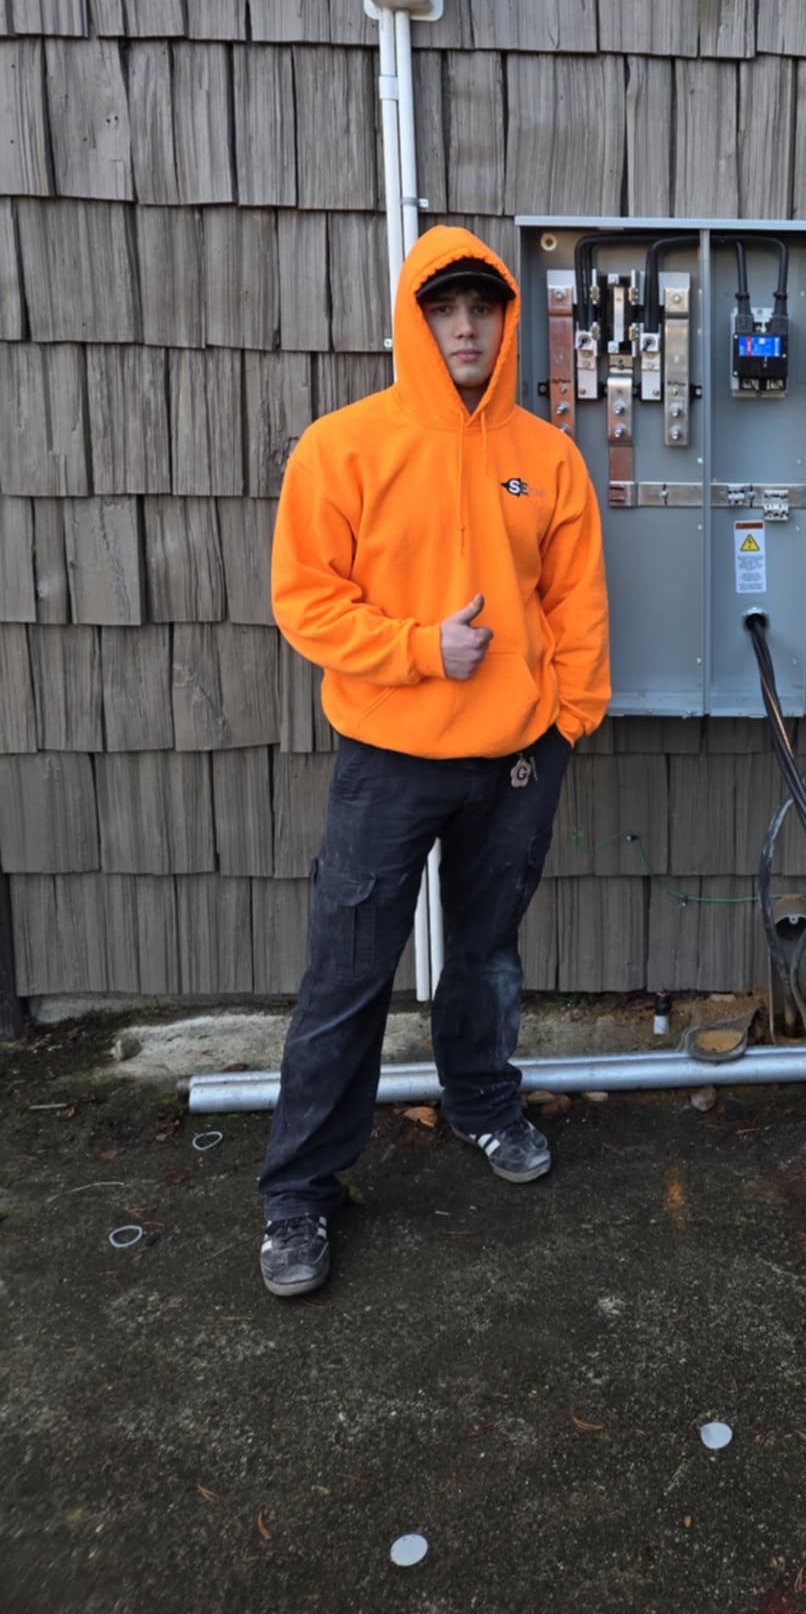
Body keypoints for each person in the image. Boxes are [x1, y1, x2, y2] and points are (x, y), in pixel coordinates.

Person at [257, 225, 610, 1298]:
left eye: (483, 305)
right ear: (416, 318)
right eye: (445, 305)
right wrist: (421, 648)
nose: (466, 323)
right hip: (388, 758)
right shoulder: (344, 446)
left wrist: (565, 721)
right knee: (346, 976)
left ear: (507, 320)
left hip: (513, 761)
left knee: (487, 953)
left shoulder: (546, 454)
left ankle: (481, 1102)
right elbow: (306, 598)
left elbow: (576, 598)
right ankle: (300, 1194)